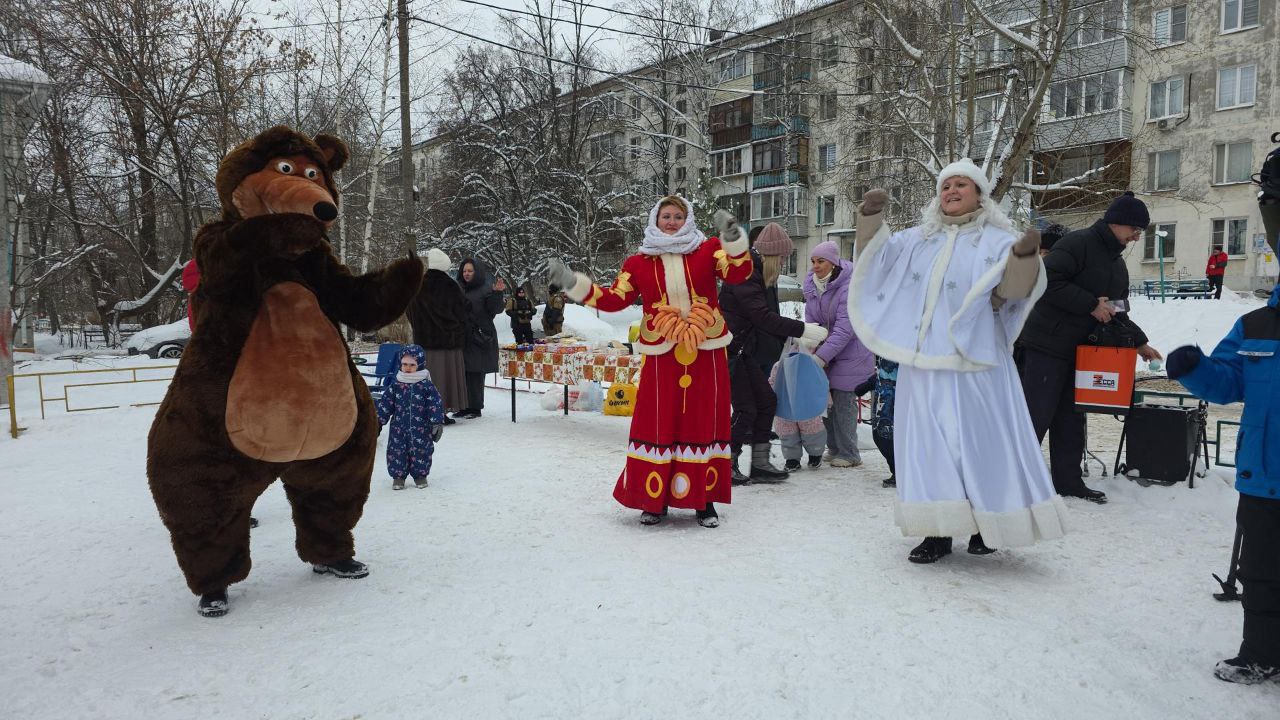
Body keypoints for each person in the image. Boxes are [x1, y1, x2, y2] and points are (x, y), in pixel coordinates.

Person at [849, 160, 1068, 564]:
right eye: (945, 185)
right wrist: (871, 219)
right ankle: (937, 529)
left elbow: (1012, 294)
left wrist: (1023, 260)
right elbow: (874, 265)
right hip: (924, 364)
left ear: (980, 194)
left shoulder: (998, 240)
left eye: (960, 184)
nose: (951, 191)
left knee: (982, 443)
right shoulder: (918, 240)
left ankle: (990, 523)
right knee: (929, 446)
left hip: (977, 362)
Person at [547, 196, 754, 528]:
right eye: (666, 216)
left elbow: (738, 273)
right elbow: (614, 299)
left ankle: (704, 501)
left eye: (678, 216)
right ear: (655, 220)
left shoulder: (708, 250)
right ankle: (653, 500)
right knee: (657, 420)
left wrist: (733, 239)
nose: (671, 222)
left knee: (703, 418)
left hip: (706, 349)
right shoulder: (638, 262)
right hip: (662, 354)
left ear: (687, 220)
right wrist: (574, 284)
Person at [1016, 191, 1163, 504]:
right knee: (1035, 416)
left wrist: (1139, 342)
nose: (1137, 236)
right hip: (1046, 346)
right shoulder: (1077, 243)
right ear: (1116, 222)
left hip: (1082, 352)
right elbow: (1046, 281)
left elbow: (1118, 309)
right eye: (1135, 229)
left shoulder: (1117, 263)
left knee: (1071, 418)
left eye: (1140, 231)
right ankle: (1014, 480)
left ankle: (1068, 481)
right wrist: (1090, 305)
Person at [1166, 289, 1280, 685]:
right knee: (1261, 573)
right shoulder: (1256, 325)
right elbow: (1228, 381)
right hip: (1265, 475)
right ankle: (1261, 655)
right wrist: (1195, 369)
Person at [718, 221, 828, 483]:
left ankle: (760, 463)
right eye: (781, 258)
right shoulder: (744, 273)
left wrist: (790, 339)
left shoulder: (760, 274)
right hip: (729, 351)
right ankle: (725, 464)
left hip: (744, 350)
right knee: (746, 408)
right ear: (771, 255)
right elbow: (761, 316)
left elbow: (766, 316)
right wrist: (801, 329)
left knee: (767, 401)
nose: (782, 263)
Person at [804, 240, 874, 469]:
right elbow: (811, 321)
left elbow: (845, 329)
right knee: (826, 400)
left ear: (833, 263)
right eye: (813, 261)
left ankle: (850, 452)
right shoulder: (812, 285)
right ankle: (834, 448)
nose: (815, 266)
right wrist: (811, 344)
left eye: (820, 261)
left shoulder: (848, 287)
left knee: (843, 401)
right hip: (826, 351)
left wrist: (821, 356)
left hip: (852, 352)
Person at [406, 248, 468, 425]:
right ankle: (440, 413)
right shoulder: (450, 286)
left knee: (427, 378)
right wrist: (457, 329)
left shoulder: (418, 285)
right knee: (444, 379)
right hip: (447, 342)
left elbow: (409, 311)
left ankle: (424, 411)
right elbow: (461, 312)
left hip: (424, 342)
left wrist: (419, 328)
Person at [375, 344, 445, 490]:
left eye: (412, 365)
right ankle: (398, 477)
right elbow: (386, 404)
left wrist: (437, 422)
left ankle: (420, 476)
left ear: (419, 364)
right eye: (404, 364)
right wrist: (378, 421)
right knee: (396, 451)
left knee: (421, 451)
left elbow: (435, 404)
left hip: (421, 429)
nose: (407, 368)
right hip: (398, 428)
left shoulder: (426, 385)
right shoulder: (396, 384)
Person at [455, 258, 505, 419]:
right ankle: (463, 406)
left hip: (479, 337)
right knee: (462, 372)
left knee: (476, 373)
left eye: (470, 271)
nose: (467, 274)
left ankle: (475, 407)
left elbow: (496, 309)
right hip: (461, 337)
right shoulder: (458, 288)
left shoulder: (485, 289)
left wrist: (497, 294)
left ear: (476, 272)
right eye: (464, 271)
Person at [771, 362, 828, 471]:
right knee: (787, 433)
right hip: (784, 405)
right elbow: (773, 382)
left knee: (812, 430)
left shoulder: (809, 363)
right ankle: (792, 459)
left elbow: (819, 382)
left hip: (807, 404)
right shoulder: (779, 365)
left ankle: (815, 454)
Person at [855, 356, 899, 487]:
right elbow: (884, 371)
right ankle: (899, 472)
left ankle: (901, 473)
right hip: (883, 398)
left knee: (887, 437)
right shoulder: (887, 348)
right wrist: (869, 383)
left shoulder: (903, 348)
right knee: (880, 436)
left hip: (896, 400)